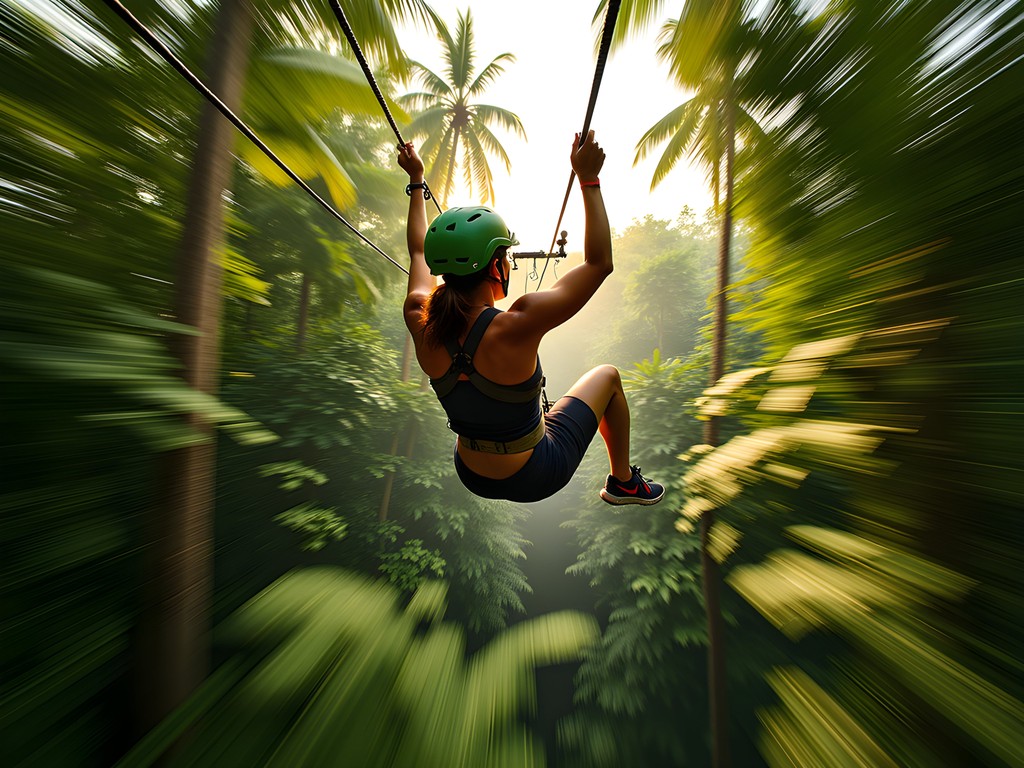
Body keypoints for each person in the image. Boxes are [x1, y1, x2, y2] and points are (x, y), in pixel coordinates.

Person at [397, 130, 664, 506]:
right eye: (505, 255)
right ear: (495, 265)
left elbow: (417, 251)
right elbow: (599, 263)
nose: (509, 262)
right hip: (536, 473)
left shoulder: (419, 317)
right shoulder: (518, 321)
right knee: (608, 376)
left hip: (471, 473)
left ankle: (608, 473)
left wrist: (415, 181)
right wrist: (589, 179)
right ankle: (623, 482)